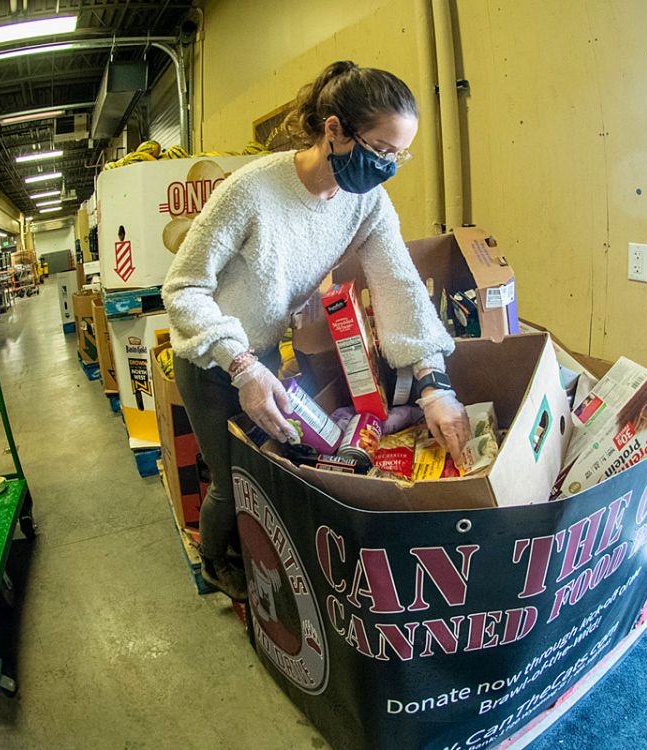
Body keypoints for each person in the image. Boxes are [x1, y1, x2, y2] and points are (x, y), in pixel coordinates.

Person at [162, 60, 470, 601]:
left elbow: (400, 285)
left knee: (272, 471)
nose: (389, 166)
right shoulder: (250, 191)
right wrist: (241, 365)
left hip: (264, 352)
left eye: (400, 154)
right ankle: (213, 561)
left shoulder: (365, 199)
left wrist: (434, 383)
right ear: (334, 130)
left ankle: (258, 550)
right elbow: (182, 287)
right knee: (233, 480)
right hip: (213, 356)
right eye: (380, 150)